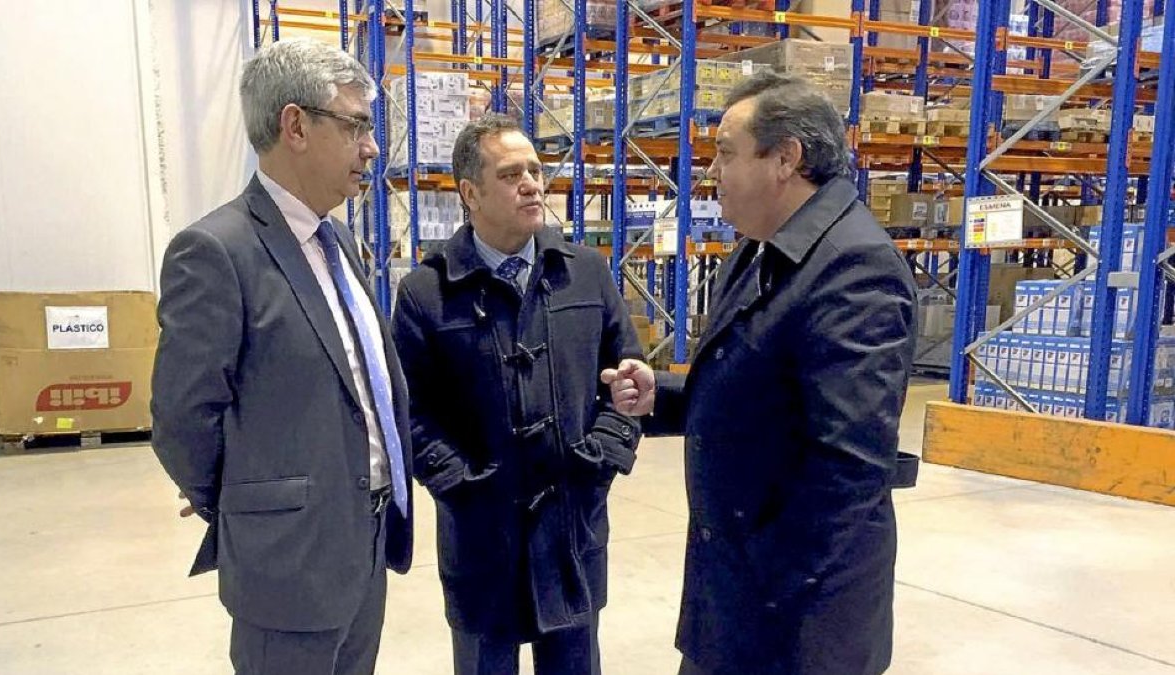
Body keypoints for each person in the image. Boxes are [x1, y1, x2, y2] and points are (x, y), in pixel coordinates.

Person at [601, 72, 918, 674]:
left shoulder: (854, 268)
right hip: (734, 599)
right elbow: (751, 392)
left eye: (725, 153)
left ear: (785, 159)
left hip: (796, 620)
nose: (712, 172)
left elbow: (849, 468)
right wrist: (660, 399)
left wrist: (765, 581)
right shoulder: (759, 249)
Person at [150, 39, 412, 675]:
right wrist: (246, 500)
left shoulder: (337, 241)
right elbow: (184, 417)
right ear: (295, 125)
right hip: (287, 564)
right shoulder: (217, 251)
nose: (371, 148)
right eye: (356, 126)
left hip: (364, 544)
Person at [391, 114, 643, 675]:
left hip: (571, 529)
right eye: (511, 174)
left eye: (535, 169)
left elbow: (629, 380)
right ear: (469, 193)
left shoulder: (586, 274)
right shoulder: (425, 295)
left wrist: (598, 460)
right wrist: (458, 482)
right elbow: (409, 411)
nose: (532, 183)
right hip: (482, 535)